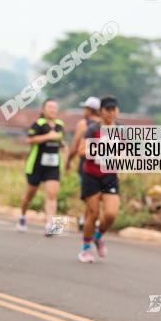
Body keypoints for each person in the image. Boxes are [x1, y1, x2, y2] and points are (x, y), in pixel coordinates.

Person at [78, 95, 120, 263]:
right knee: (93, 213)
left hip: (110, 176)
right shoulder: (92, 129)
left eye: (113, 110)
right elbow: (82, 150)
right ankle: (86, 248)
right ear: (101, 111)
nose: (111, 113)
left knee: (110, 214)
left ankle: (98, 236)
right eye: (107, 110)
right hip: (91, 176)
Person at [18, 98, 66, 236]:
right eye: (49, 107)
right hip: (36, 165)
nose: (52, 110)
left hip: (53, 165)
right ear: (43, 109)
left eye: (54, 107)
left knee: (52, 195)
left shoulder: (59, 125)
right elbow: (30, 139)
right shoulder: (38, 124)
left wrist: (63, 146)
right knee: (30, 194)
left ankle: (50, 225)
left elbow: (60, 139)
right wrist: (47, 136)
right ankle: (22, 216)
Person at [66, 97, 101, 230]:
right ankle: (89, 219)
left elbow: (75, 147)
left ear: (90, 110)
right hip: (104, 166)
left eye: (85, 108)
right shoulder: (107, 124)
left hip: (86, 165)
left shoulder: (83, 124)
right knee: (97, 194)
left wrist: (68, 161)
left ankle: (88, 219)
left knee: (89, 194)